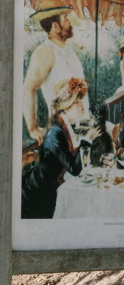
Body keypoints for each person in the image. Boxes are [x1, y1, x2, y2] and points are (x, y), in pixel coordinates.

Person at [21, 77, 101, 219]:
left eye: (81, 100)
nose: (82, 104)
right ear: (65, 108)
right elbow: (74, 168)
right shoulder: (55, 134)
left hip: (54, 186)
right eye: (77, 102)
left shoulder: (66, 126)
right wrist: (88, 139)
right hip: (38, 193)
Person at [23, 0, 87, 144]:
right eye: (65, 19)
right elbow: (28, 88)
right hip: (64, 134)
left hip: (81, 129)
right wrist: (33, 128)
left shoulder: (68, 50)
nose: (70, 22)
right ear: (56, 26)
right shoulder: (44, 51)